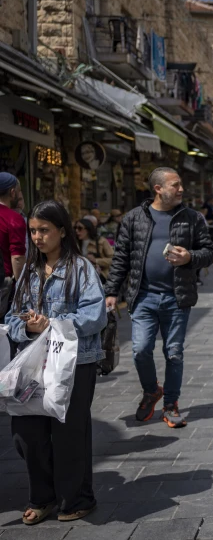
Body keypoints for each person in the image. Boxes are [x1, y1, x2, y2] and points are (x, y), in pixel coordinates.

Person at [7, 200, 107, 525]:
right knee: (26, 434)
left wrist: (51, 322)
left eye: (44, 230)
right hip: (34, 363)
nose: (37, 237)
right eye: (33, 231)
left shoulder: (80, 268)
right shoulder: (29, 273)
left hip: (75, 363)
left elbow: (95, 314)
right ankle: (43, 496)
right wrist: (26, 325)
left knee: (69, 434)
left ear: (61, 231)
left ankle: (77, 498)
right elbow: (12, 318)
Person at [104, 167, 213, 429]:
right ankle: (152, 391)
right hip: (143, 297)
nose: (181, 189)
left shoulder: (192, 218)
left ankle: (171, 404)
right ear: (158, 189)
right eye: (175, 185)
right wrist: (111, 291)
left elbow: (209, 252)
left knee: (174, 352)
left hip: (177, 297)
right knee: (141, 349)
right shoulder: (133, 219)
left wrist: (190, 257)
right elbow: (121, 257)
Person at [0, 172, 27, 304]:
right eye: (18, 191)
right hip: (4, 286)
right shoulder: (14, 218)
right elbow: (17, 258)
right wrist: (23, 287)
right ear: (12, 193)